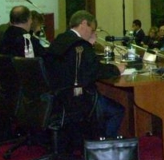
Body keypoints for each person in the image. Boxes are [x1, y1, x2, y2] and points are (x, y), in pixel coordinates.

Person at [45, 10, 125, 138]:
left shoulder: (60, 39)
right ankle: (102, 148)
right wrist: (116, 69)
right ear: (83, 23)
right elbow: (94, 71)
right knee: (117, 111)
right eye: (92, 30)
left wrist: (89, 44)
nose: (93, 33)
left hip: (57, 97)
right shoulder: (80, 45)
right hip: (77, 99)